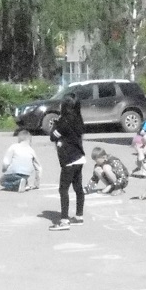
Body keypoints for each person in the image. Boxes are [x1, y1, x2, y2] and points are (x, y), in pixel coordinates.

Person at [49, 92, 86, 231]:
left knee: (63, 189)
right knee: (78, 187)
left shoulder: (64, 122)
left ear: (65, 106)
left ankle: (64, 220)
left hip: (69, 159)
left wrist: (56, 122)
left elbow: (53, 136)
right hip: (79, 157)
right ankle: (79, 216)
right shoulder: (78, 119)